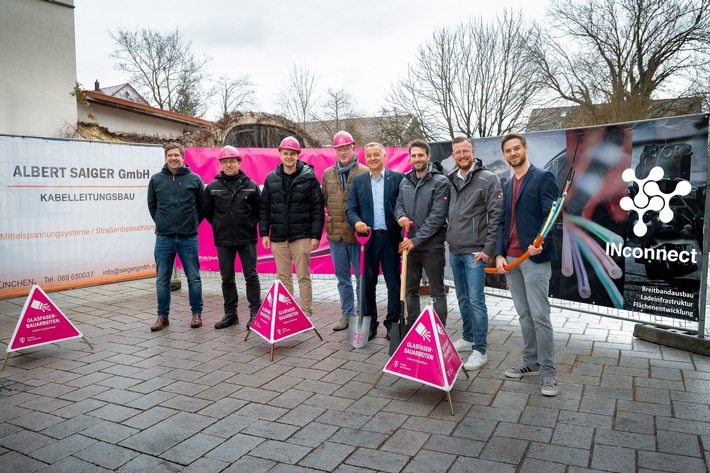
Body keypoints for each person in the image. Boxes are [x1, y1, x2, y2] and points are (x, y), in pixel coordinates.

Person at [495, 132, 560, 396]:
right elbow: (502, 222)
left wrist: (541, 241)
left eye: (516, 148)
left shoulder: (543, 177)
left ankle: (548, 374)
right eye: (508, 150)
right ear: (505, 155)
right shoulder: (508, 184)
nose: (512, 153)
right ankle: (530, 362)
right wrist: (499, 254)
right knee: (524, 315)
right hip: (511, 260)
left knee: (540, 316)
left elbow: (552, 215)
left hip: (533, 257)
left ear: (525, 148)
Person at [446, 136, 502, 371]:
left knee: (477, 301)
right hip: (455, 250)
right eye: (457, 152)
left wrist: (488, 250)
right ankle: (468, 338)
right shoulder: (450, 180)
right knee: (462, 298)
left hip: (475, 253)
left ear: (473, 151)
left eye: (465, 151)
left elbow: (496, 216)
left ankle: (480, 350)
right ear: (453, 155)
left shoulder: (488, 179)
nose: (461, 156)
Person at [260, 136, 324, 316]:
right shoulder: (271, 178)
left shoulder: (309, 178)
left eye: (292, 153)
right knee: (284, 278)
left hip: (301, 236)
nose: (289, 156)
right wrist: (264, 233)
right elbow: (264, 208)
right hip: (279, 237)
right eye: (286, 153)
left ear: (298, 155)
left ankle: (306, 314)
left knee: (304, 277)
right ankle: (287, 315)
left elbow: (317, 208)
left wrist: (315, 236)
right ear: (280, 154)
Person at [346, 142, 404, 340]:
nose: (372, 159)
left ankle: (392, 324)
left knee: (393, 283)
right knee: (366, 283)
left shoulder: (397, 179)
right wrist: (358, 222)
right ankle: (369, 324)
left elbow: (403, 207)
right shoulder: (359, 181)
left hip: (390, 239)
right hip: (367, 241)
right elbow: (350, 209)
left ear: (384, 156)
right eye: (368, 155)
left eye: (376, 155)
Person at [147, 142, 205, 331]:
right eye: (170, 155)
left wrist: (192, 223)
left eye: (176, 155)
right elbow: (152, 206)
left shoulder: (194, 179)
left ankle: (196, 314)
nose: (173, 158)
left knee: (194, 279)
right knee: (162, 280)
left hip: (188, 238)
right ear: (166, 157)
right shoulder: (156, 180)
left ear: (183, 157)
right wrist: (162, 222)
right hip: (164, 238)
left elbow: (202, 207)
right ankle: (162, 317)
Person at [203, 146, 261, 330]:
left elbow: (259, 211)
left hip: (247, 239)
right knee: (226, 278)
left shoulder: (251, 186)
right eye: (225, 161)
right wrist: (220, 224)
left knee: (251, 276)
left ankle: (255, 314)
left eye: (232, 161)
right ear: (220, 164)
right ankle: (231, 314)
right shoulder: (212, 187)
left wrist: (248, 225)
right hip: (224, 239)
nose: (229, 164)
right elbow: (207, 212)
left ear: (239, 162)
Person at [395, 139, 450, 328]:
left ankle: (438, 333)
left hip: (431, 248)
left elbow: (437, 217)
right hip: (410, 247)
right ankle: (412, 331)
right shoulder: (405, 181)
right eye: (413, 155)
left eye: (421, 155)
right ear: (409, 157)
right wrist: (401, 215)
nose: (417, 159)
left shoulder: (440, 182)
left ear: (428, 156)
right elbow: (399, 204)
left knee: (437, 292)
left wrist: (415, 241)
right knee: (410, 291)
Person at [322, 131, 368, 332]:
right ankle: (347, 314)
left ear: (353, 147)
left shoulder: (365, 171)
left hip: (358, 235)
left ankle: (363, 313)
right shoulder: (327, 174)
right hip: (336, 234)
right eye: (338, 149)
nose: (342, 152)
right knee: (342, 278)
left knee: (361, 277)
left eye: (345, 148)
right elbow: (326, 200)